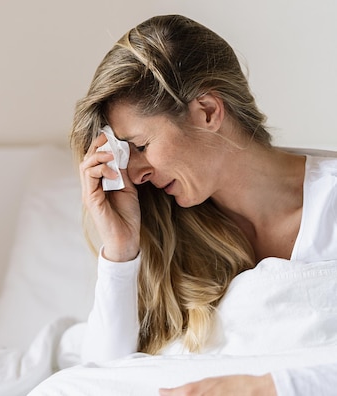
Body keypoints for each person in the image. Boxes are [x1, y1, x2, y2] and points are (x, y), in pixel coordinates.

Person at [72, 14, 337, 395]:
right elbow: (103, 377)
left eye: (142, 146)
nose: (138, 173)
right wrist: (119, 252)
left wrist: (267, 386)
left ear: (208, 111)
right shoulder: (171, 233)